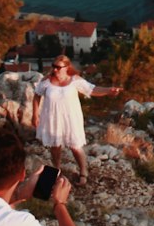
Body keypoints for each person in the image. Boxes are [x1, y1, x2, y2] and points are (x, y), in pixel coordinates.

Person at [33, 55, 118, 185]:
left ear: (67, 67)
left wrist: (108, 91)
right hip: (53, 118)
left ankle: (84, 171)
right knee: (55, 147)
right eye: (53, 66)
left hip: (71, 118)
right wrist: (35, 114)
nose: (55, 69)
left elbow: (92, 89)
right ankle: (56, 170)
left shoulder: (74, 80)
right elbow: (37, 95)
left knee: (75, 147)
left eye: (58, 67)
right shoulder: (47, 81)